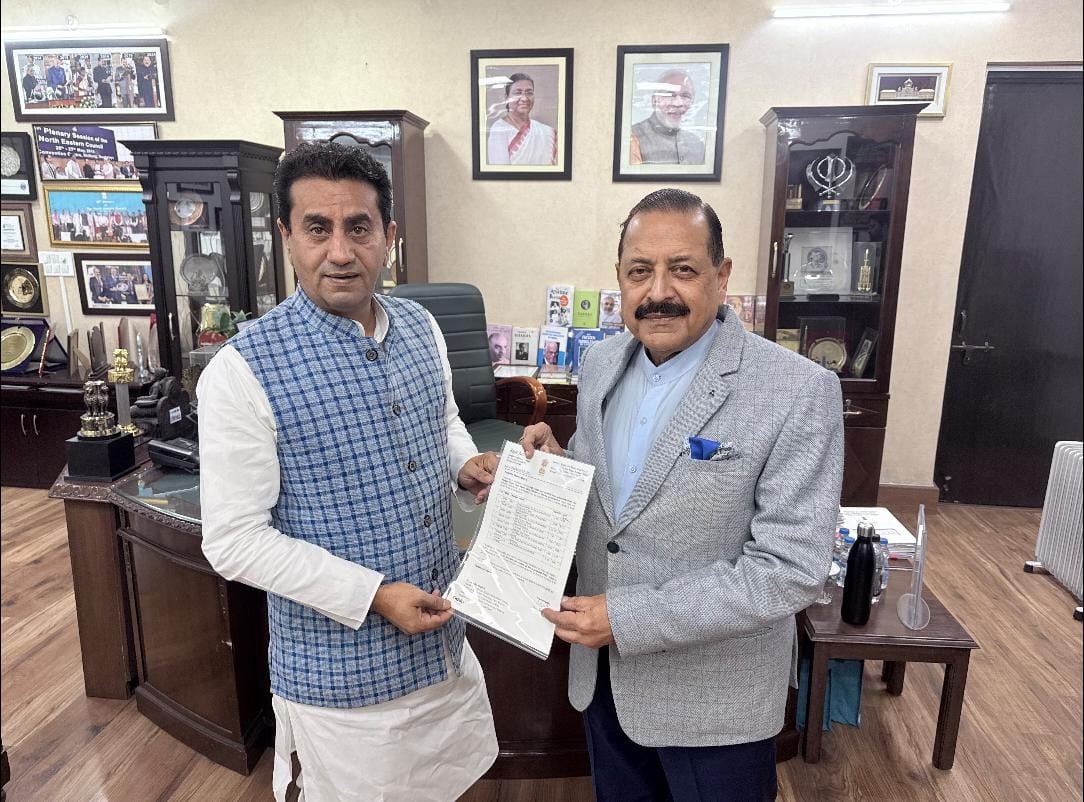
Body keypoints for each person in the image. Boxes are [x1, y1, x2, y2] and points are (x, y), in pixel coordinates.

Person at [197, 141, 499, 801]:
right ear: (286, 237)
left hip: (444, 643)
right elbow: (233, 540)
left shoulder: (421, 326)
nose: (340, 252)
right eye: (317, 229)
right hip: (341, 683)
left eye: (358, 228)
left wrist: (464, 464)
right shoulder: (242, 371)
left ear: (388, 235)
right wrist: (372, 594)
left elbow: (443, 420)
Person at [520, 188, 843, 802]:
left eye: (684, 269)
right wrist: (549, 469)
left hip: (715, 703)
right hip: (604, 684)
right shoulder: (601, 363)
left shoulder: (797, 390)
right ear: (619, 277)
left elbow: (791, 570)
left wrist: (628, 618)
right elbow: (614, 498)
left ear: (721, 276)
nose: (659, 291)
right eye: (640, 270)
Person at [629, 70, 706, 166]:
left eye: (685, 96)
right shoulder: (633, 138)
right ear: (654, 101)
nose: (678, 103)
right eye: (670, 95)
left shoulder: (697, 144)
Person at [486, 73, 557, 166]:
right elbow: (501, 172)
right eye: (518, 93)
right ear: (507, 97)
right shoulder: (499, 129)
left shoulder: (546, 132)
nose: (524, 98)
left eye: (529, 93)